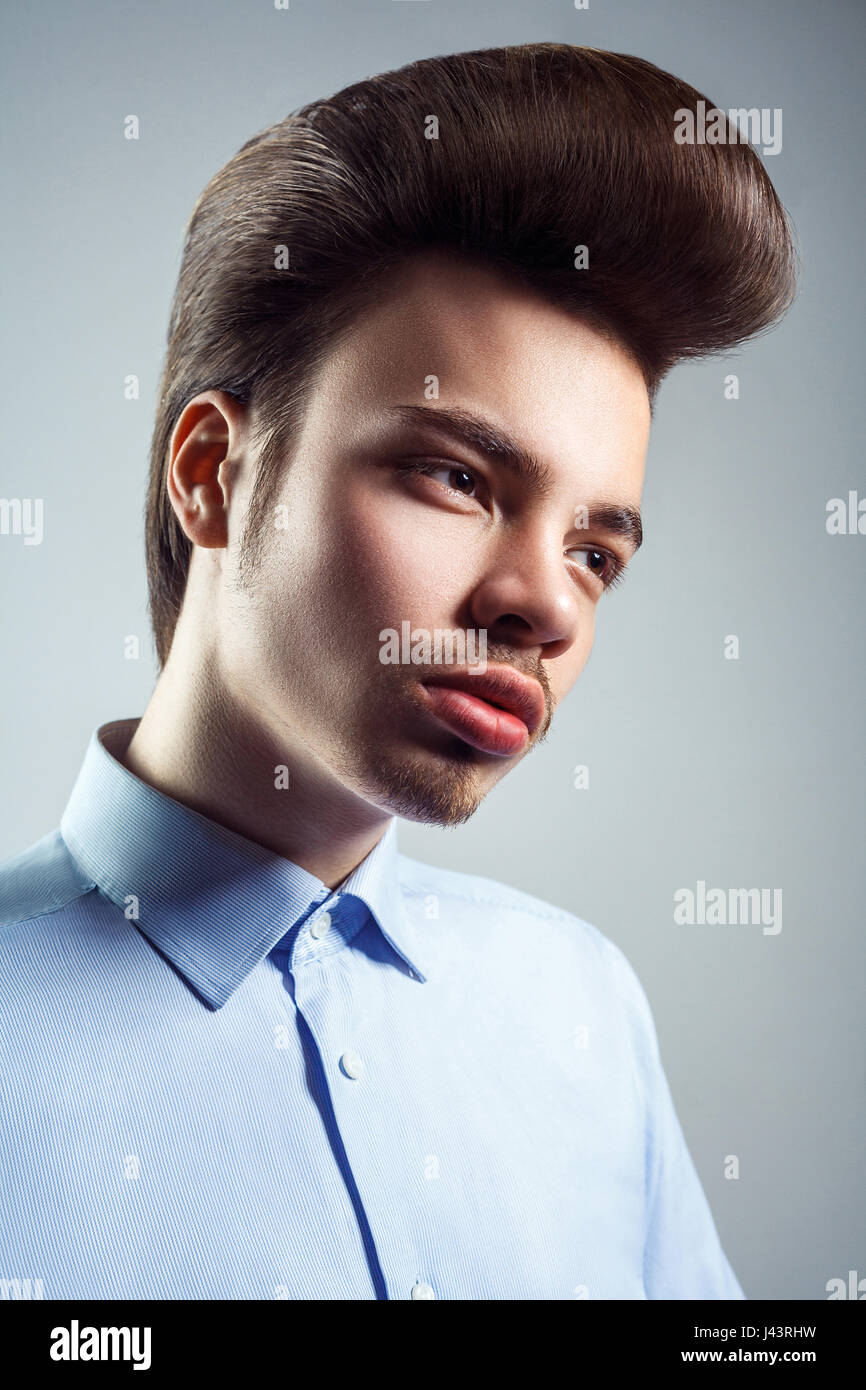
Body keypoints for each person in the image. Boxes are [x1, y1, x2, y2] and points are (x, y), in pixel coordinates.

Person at [0, 43, 796, 1300]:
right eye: (457, 479)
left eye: (595, 551)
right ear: (213, 473)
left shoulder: (579, 1004)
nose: (540, 603)